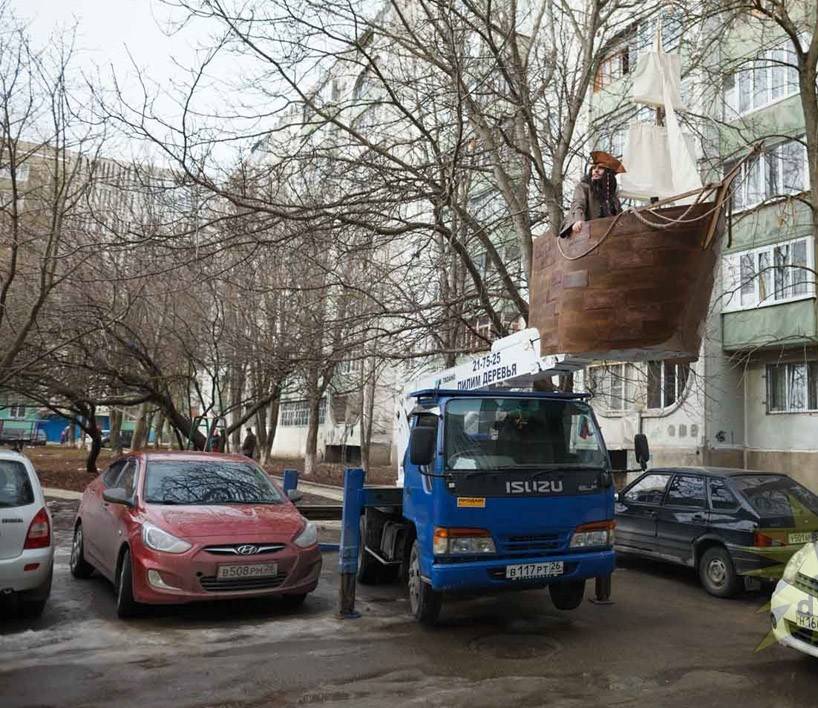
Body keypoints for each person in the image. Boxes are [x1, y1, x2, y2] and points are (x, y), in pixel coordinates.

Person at [559, 151, 626, 238]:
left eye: (601, 168)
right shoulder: (583, 187)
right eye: (594, 168)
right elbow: (578, 204)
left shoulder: (612, 197)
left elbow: (619, 216)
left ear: (608, 175)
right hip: (586, 232)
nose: (596, 171)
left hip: (606, 234)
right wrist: (578, 220)